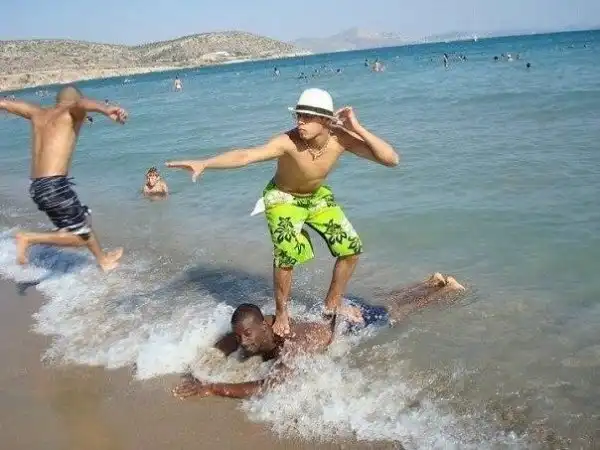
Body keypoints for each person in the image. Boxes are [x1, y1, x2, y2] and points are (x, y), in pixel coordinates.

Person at [166, 88, 399, 337]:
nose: (300, 122)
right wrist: (205, 163)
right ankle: (282, 312)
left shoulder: (340, 139)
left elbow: (391, 159)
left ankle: (332, 303)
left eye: (307, 117)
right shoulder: (287, 142)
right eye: (298, 115)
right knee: (287, 254)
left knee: (351, 248)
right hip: (283, 198)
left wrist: (357, 128)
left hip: (316, 197)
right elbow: (246, 155)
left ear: (325, 120)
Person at [172, 273, 465, 400]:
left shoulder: (290, 343)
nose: (243, 342)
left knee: (395, 312)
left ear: (264, 326)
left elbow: (269, 386)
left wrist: (213, 388)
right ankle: (431, 282)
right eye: (240, 337)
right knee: (385, 304)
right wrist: (200, 367)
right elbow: (226, 341)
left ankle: (445, 290)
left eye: (247, 335)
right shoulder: (255, 327)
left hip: (349, 324)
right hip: (332, 313)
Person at [0, 86, 127, 272]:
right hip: (54, 186)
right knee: (80, 236)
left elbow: (5, 103)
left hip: (38, 186)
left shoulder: (37, 112)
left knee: (82, 219)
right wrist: (106, 109)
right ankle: (28, 238)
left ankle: (103, 259)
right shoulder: (70, 110)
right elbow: (80, 104)